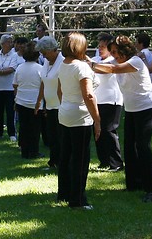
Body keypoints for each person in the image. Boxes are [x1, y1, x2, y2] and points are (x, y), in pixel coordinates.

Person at [90, 35, 152, 202]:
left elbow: (113, 70)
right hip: (131, 109)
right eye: (112, 52)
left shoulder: (135, 61)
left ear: (124, 51)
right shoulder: (116, 62)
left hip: (145, 108)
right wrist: (86, 63)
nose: (113, 55)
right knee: (130, 147)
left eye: (115, 51)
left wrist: (91, 64)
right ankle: (134, 184)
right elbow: (103, 67)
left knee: (143, 147)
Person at [56, 32, 100, 209]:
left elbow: (59, 91)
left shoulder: (63, 64)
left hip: (65, 112)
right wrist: (97, 120)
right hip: (79, 115)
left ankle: (63, 193)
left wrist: (65, 105)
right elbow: (88, 95)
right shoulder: (81, 68)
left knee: (65, 156)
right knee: (80, 159)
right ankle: (78, 200)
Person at [90, 32, 124, 172]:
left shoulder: (113, 61)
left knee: (109, 131)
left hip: (112, 100)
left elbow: (105, 69)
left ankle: (116, 162)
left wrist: (91, 64)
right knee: (98, 131)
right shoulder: (95, 59)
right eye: (99, 46)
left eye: (103, 46)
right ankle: (104, 160)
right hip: (98, 100)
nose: (100, 49)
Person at [35, 36, 64, 169]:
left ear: (53, 50)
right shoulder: (46, 62)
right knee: (52, 136)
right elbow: (43, 81)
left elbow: (62, 87)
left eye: (45, 53)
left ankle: (60, 162)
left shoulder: (62, 62)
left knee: (60, 137)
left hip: (60, 106)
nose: (44, 56)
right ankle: (53, 162)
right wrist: (39, 101)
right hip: (50, 105)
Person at [13, 42, 43, 159]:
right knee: (35, 129)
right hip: (36, 102)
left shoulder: (20, 68)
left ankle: (24, 151)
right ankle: (33, 151)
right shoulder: (40, 69)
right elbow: (43, 86)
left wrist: (16, 99)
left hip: (21, 101)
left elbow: (15, 85)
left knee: (24, 127)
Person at [0, 34, 19, 141]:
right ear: (2, 44)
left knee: (10, 111)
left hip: (9, 88)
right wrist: (2, 71)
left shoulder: (14, 55)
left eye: (11, 42)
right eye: (9, 42)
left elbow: (11, 69)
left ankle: (12, 133)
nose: (11, 44)